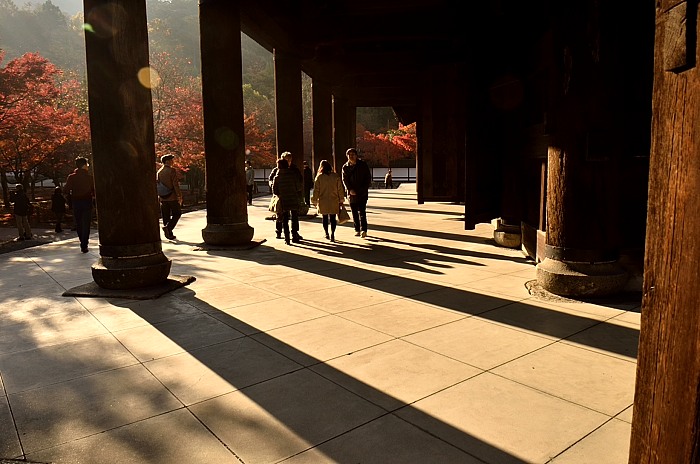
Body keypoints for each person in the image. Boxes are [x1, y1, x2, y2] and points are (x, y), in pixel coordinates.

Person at [64, 156, 95, 252]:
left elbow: (66, 190)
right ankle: (84, 244)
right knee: (86, 224)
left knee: (79, 223)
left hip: (76, 203)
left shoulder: (71, 177)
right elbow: (94, 191)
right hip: (87, 202)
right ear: (84, 165)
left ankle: (82, 241)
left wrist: (70, 197)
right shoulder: (90, 178)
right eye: (87, 164)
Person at [311, 159, 345, 242]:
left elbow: (316, 190)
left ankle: (326, 233)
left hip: (323, 200)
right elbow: (340, 189)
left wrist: (314, 200)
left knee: (325, 218)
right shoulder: (335, 176)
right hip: (334, 200)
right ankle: (333, 233)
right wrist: (341, 199)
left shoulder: (319, 177)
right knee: (333, 218)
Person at [341, 147, 372, 238]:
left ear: (356, 155)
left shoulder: (362, 165)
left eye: (353, 154)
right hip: (351, 193)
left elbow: (367, 178)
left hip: (362, 192)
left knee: (362, 211)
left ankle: (364, 229)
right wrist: (350, 189)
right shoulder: (345, 167)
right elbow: (344, 180)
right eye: (349, 155)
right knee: (354, 212)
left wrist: (363, 189)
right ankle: (357, 229)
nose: (351, 156)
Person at [271, 158, 303, 245]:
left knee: (285, 219)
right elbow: (298, 187)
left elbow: (274, 191)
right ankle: (295, 235)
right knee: (294, 217)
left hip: (283, 200)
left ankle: (287, 238)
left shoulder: (277, 177)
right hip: (293, 198)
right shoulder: (293, 175)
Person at [157, 153, 182, 240]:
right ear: (167, 161)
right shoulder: (172, 171)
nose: (172, 161)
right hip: (172, 196)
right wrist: (179, 195)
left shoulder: (159, 172)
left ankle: (169, 234)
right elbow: (175, 184)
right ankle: (168, 228)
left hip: (163, 197)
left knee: (166, 215)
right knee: (177, 213)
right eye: (171, 160)